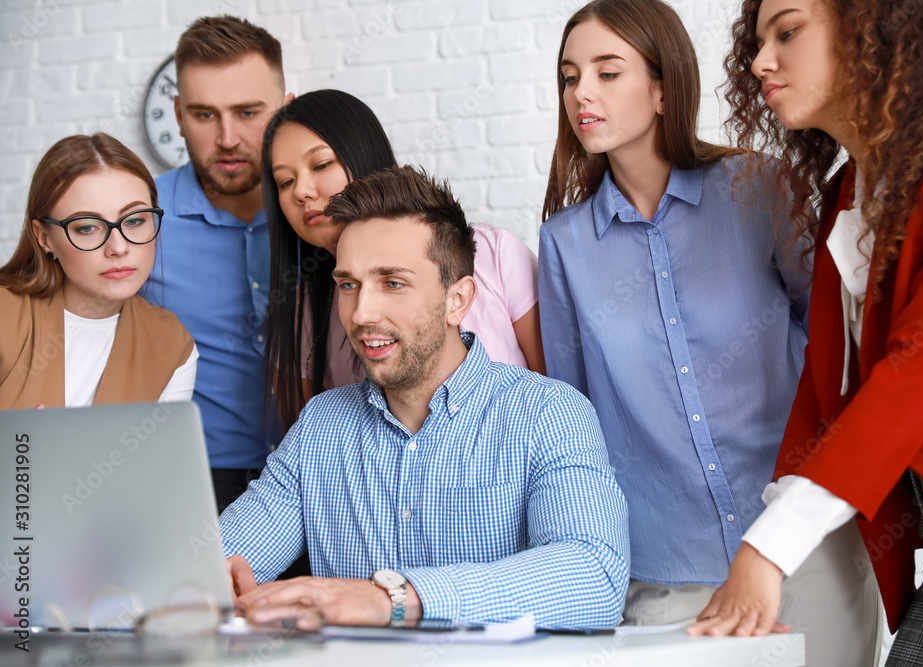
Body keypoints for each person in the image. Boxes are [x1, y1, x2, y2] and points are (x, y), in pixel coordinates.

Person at [538, 1, 879, 664]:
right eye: (569, 77)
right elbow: (573, 419)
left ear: (664, 87)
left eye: (608, 73)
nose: (582, 93)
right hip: (665, 573)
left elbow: (836, 349)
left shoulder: (759, 189)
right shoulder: (564, 246)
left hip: (801, 556)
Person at [689, 1, 923, 664]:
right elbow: (822, 397)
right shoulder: (849, 195)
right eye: (758, 39)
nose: (760, 61)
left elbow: (914, 374)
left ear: (873, 31)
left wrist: (769, 549)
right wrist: (769, 551)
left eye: (788, 31)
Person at [219, 166, 629, 628]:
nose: (361, 313)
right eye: (349, 285)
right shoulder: (321, 425)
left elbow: (595, 577)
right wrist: (204, 575)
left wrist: (392, 599)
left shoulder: (549, 414)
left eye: (392, 283)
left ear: (458, 300)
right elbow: (226, 553)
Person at [261, 89, 545, 431]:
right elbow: (308, 452)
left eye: (321, 165)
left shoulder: (495, 254)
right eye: (284, 181)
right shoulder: (301, 312)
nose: (301, 191)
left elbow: (559, 393)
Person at [141, 16, 292, 513]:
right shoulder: (137, 221)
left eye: (249, 112)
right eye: (205, 115)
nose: (228, 138)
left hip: (325, 476)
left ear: (286, 111)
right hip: (195, 485)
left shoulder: (321, 216)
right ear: (180, 115)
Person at [0, 134, 196, 409]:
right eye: (87, 227)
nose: (118, 247)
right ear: (44, 238)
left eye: (135, 220)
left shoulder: (173, 345)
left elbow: (158, 453)